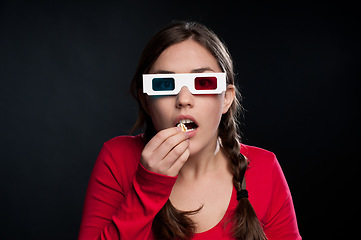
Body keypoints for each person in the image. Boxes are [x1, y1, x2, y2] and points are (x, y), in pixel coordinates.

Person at [78, 21, 301, 240]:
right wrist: (149, 186)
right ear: (146, 102)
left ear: (226, 99)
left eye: (203, 82)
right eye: (165, 84)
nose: (183, 100)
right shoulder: (117, 158)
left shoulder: (264, 168)